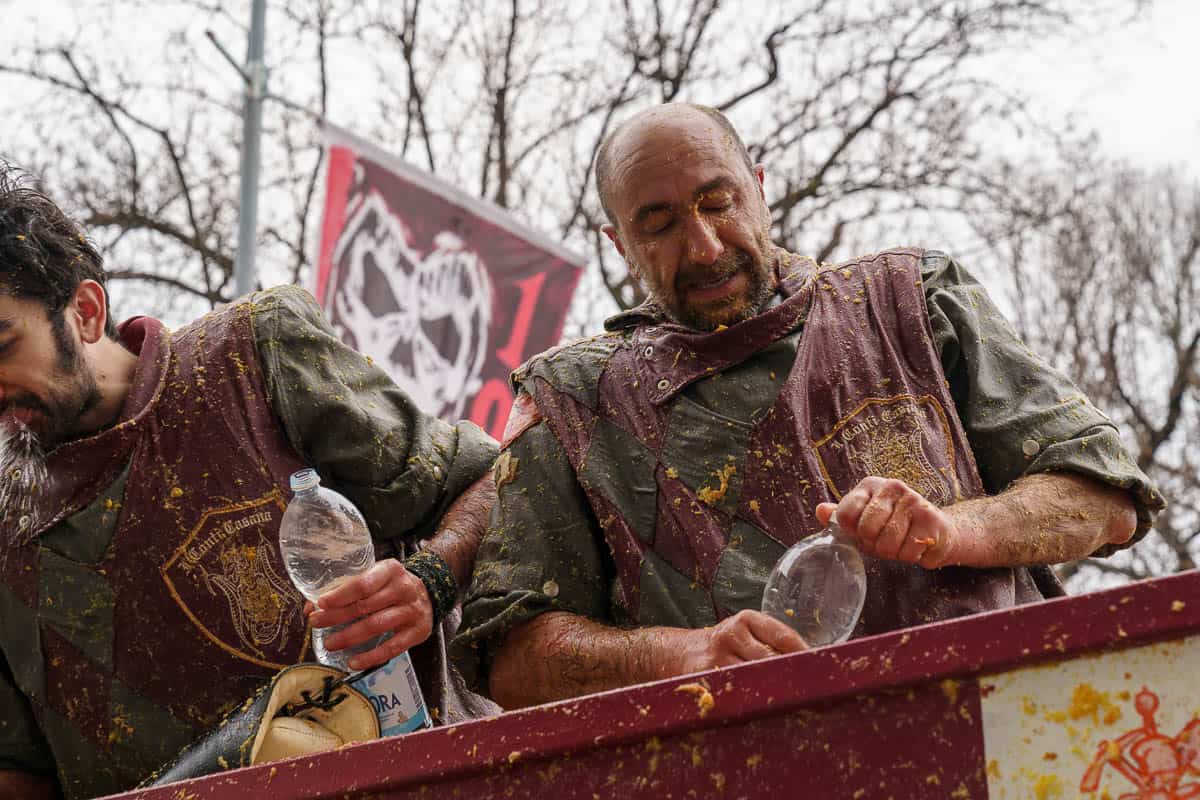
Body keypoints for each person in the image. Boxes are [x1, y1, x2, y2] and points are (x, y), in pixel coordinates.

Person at [454, 102, 1164, 710]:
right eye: (660, 224)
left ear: (759, 189)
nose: (704, 246)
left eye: (718, 202)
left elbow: (1105, 499)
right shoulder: (571, 398)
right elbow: (509, 658)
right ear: (619, 244)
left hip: (1005, 731)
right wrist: (685, 653)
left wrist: (953, 531)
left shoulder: (911, 301)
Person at [0, 163, 499, 800]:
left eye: (2, 345)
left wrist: (431, 580)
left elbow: (491, 481)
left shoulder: (251, 357)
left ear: (86, 311)